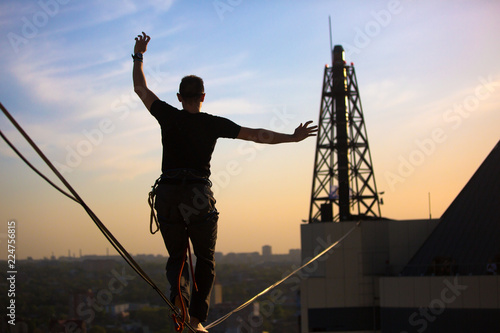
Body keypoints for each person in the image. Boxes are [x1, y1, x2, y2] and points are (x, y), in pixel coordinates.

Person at [132, 32, 317, 332]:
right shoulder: (213, 124)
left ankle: (179, 300)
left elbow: (140, 88)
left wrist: (139, 55)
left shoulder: (167, 115)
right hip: (197, 195)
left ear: (179, 98)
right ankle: (196, 320)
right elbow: (257, 135)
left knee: (177, 257)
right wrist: (292, 138)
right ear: (203, 96)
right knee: (204, 259)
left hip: (167, 193)